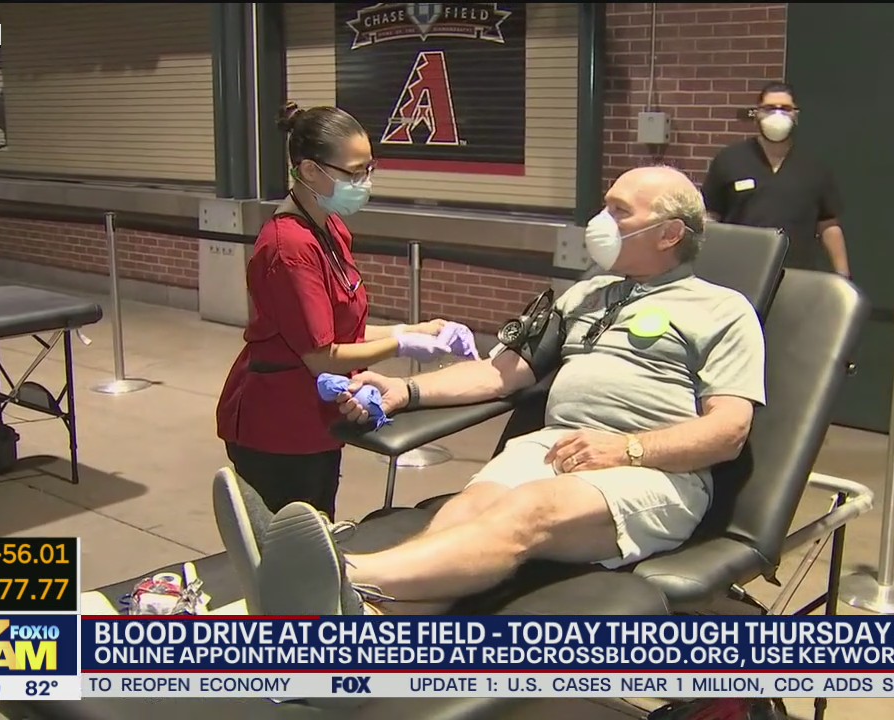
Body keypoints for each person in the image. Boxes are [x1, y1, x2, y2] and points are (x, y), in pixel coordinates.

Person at [251, 165, 768, 616]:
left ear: (669, 233)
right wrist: (406, 390)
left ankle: (338, 574)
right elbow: (501, 373)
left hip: (653, 470)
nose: (600, 223)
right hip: (556, 447)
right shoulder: (585, 294)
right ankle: (355, 632)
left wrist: (628, 449)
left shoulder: (722, 310)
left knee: (527, 511)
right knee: (467, 511)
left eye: (618, 212)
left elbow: (729, 431)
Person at [215, 101, 468, 519]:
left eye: (370, 168)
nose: (365, 181)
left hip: (317, 420)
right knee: (294, 546)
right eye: (354, 172)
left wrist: (414, 329)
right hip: (278, 427)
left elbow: (345, 329)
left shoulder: (330, 227)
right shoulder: (289, 248)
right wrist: (401, 345)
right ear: (311, 170)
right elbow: (320, 354)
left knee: (320, 525)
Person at [701, 81, 851, 278]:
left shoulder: (814, 167)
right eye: (770, 108)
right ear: (757, 114)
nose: (777, 114)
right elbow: (709, 218)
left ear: (796, 116)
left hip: (796, 273)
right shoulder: (729, 160)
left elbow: (829, 225)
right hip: (738, 271)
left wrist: (843, 275)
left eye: (786, 109)